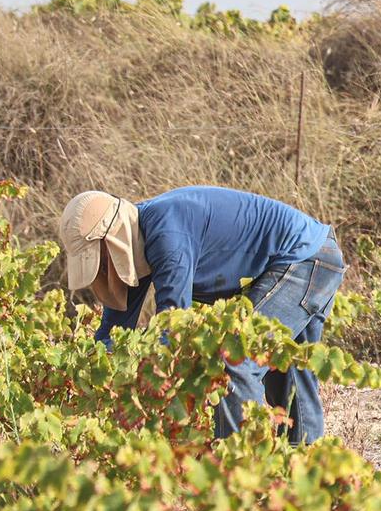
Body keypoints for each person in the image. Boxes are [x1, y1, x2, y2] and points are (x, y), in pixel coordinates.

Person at [57, 186, 346, 443]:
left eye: (100, 258)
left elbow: (174, 331)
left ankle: (242, 473)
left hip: (305, 258)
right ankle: (303, 476)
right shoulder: (136, 247)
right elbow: (113, 336)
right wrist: (81, 376)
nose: (103, 269)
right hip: (308, 256)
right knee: (288, 373)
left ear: (112, 241)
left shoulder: (166, 234)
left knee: (235, 359)